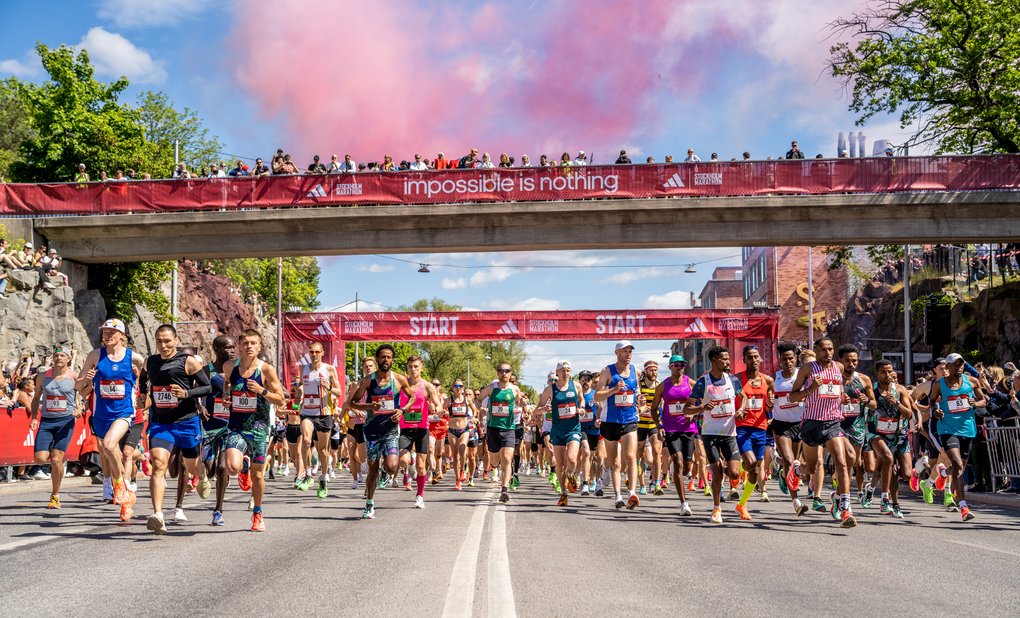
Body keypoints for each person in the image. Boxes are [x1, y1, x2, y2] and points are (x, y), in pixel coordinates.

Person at [140, 325, 212, 534]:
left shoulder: (187, 361)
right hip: (161, 423)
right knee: (158, 464)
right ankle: (158, 515)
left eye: (167, 341)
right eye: (159, 341)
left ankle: (202, 475)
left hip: (186, 422)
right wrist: (144, 394)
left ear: (176, 339)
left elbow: (207, 387)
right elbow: (144, 377)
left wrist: (186, 393)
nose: (163, 345)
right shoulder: (150, 361)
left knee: (191, 466)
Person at [75, 319, 145, 522]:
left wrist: (144, 391)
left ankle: (119, 484)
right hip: (101, 414)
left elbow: (148, 377)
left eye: (111, 332)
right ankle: (125, 500)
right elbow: (79, 387)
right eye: (104, 332)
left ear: (121, 335)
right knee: (109, 450)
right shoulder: (95, 356)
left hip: (123, 412)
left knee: (109, 444)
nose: (106, 335)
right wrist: (87, 379)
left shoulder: (135, 358)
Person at [217, 329, 286, 531]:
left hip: (259, 427)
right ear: (240, 345)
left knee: (258, 477)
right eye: (245, 343)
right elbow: (227, 387)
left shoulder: (266, 370)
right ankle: (242, 467)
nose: (249, 346)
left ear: (259, 347)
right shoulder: (230, 366)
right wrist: (227, 397)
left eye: (253, 343)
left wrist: (262, 391)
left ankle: (257, 512)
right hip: (237, 425)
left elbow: (281, 398)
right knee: (230, 467)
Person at [788, 337, 858, 528]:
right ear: (816, 351)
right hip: (811, 423)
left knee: (842, 463)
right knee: (811, 469)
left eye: (830, 349)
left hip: (833, 422)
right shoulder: (808, 369)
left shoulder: (839, 368)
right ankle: (796, 470)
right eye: (823, 350)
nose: (828, 353)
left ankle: (845, 509)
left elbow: (837, 390)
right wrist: (811, 388)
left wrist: (842, 397)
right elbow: (792, 396)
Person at [348, 345, 416, 519]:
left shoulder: (399, 379)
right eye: (383, 357)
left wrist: (402, 410)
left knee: (392, 466)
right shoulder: (368, 381)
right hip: (371, 430)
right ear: (378, 359)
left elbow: (412, 397)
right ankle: (369, 504)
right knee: (372, 470)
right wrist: (370, 406)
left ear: (392, 360)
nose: (386, 360)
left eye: (389, 357)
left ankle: (386, 472)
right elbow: (353, 403)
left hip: (391, 430)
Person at [683, 346, 746, 524]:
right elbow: (687, 408)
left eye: (728, 358)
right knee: (717, 472)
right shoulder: (703, 382)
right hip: (710, 433)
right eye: (724, 359)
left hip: (729, 433)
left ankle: (723, 476)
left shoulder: (732, 379)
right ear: (714, 361)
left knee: (734, 473)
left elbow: (744, 397)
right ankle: (717, 508)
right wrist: (702, 408)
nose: (728, 361)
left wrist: (741, 409)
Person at [930, 353, 987, 521]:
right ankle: (963, 506)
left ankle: (942, 473)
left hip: (967, 429)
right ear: (947, 367)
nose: (959, 367)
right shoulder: (939, 384)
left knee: (959, 468)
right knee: (957, 463)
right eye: (955, 364)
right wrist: (936, 411)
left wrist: (975, 403)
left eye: (961, 364)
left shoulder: (972, 381)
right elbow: (932, 402)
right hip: (947, 428)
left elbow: (984, 400)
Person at [29, 347, 80, 509]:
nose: (59, 358)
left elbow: (82, 396)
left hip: (66, 420)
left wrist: (80, 407)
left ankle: (55, 496)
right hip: (46, 420)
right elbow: (36, 398)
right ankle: (57, 466)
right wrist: (34, 418)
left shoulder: (73, 376)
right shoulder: (43, 376)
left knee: (57, 458)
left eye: (62, 355)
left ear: (68, 359)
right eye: (56, 355)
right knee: (40, 459)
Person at [594, 341, 642, 510]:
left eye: (630, 351)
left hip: (629, 420)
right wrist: (614, 390)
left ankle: (631, 493)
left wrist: (640, 402)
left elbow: (637, 395)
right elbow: (597, 397)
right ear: (617, 353)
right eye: (625, 351)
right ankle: (617, 496)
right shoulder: (607, 371)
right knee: (614, 461)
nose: (628, 354)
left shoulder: (635, 372)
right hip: (610, 422)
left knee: (631, 456)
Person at [650, 355, 697, 516]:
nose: (680, 367)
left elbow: (703, 399)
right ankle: (684, 503)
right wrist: (659, 426)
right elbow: (654, 408)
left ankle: (678, 471)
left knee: (687, 467)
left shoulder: (690, 383)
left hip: (688, 429)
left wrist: (695, 414)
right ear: (670, 366)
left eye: (682, 364)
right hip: (671, 429)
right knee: (677, 461)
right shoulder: (663, 386)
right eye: (676, 364)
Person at [296, 342, 343, 499]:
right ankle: (308, 475)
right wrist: (299, 392)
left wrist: (329, 387)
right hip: (307, 412)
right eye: (311, 351)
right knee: (307, 441)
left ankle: (323, 478)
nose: (314, 354)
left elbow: (339, 392)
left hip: (324, 413)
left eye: (317, 351)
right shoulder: (304, 368)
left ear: (322, 353)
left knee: (323, 450)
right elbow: (302, 385)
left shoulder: (329, 369)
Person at [867, 360, 913, 519]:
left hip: (899, 433)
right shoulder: (871, 390)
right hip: (876, 432)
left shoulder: (899, 390)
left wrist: (897, 402)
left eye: (890, 371)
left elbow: (909, 414)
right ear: (877, 374)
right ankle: (891, 502)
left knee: (906, 474)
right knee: (888, 460)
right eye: (883, 372)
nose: (887, 375)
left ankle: (880, 489)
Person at [734, 345, 775, 520]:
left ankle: (741, 505)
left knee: (756, 469)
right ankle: (741, 466)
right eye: (750, 357)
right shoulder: (736, 379)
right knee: (751, 462)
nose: (754, 360)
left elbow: (769, 406)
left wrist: (771, 405)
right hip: (742, 427)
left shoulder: (768, 381)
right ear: (744, 360)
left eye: (756, 357)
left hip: (760, 428)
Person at [476, 363, 526, 503]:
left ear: (510, 373)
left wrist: (522, 402)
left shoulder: (514, 389)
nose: (504, 373)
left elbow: (519, 401)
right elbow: (478, 400)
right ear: (497, 373)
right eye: (501, 371)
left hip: (509, 428)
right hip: (493, 428)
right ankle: (494, 467)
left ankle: (504, 489)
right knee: (494, 460)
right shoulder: (491, 388)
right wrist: (480, 408)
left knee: (507, 458)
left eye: (507, 371)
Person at [397, 356, 442, 508]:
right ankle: (411, 460)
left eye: (416, 366)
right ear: (407, 368)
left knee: (422, 467)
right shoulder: (401, 385)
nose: (413, 369)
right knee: (403, 460)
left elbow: (438, 404)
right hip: (405, 428)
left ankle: (420, 496)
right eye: (410, 366)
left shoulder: (427, 386)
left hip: (422, 429)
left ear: (421, 368)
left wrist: (436, 409)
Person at [537, 361, 584, 506]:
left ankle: (571, 475)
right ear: (557, 373)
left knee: (572, 458)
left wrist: (581, 408)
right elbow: (536, 410)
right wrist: (544, 409)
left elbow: (581, 400)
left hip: (573, 428)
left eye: (568, 370)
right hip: (557, 430)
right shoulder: (549, 390)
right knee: (560, 465)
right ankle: (563, 492)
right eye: (563, 370)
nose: (566, 373)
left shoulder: (576, 386)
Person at [838, 344, 878, 507]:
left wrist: (867, 401)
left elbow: (874, 405)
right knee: (842, 462)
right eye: (847, 360)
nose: (851, 364)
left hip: (857, 425)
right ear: (840, 360)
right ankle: (843, 499)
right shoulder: (835, 378)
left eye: (854, 360)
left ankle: (839, 494)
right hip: (837, 424)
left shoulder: (864, 379)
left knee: (851, 462)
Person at [772, 343, 809, 515]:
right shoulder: (775, 378)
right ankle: (796, 501)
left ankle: (782, 472)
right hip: (781, 424)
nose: (788, 362)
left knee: (795, 462)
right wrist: (769, 402)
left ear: (795, 359)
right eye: (784, 359)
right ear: (779, 361)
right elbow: (767, 399)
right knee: (790, 460)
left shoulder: (802, 375)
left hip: (799, 423)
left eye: (791, 358)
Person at [343, 357, 376, 492]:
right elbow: (348, 403)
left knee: (373, 455)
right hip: (359, 423)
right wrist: (357, 411)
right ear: (362, 369)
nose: (368, 368)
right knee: (361, 456)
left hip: (374, 423)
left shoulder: (379, 385)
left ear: (375, 368)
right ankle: (361, 474)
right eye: (365, 366)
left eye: (370, 366)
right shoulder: (357, 385)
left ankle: (370, 482)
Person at [636, 360, 663, 496]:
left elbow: (662, 405)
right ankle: (642, 484)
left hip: (654, 423)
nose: (654, 372)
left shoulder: (659, 385)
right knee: (639, 454)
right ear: (645, 371)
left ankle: (656, 482)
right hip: (640, 424)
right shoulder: (639, 385)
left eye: (656, 370)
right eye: (651, 370)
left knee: (657, 452)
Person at [445, 379, 475, 490]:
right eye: (456, 386)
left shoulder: (467, 400)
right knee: (455, 456)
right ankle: (457, 480)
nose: (459, 388)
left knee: (462, 449)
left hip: (464, 429)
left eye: (461, 386)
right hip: (452, 430)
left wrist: (473, 418)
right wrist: (443, 413)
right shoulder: (449, 400)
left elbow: (474, 410)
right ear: (453, 387)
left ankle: (462, 471)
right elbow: (441, 410)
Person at [577, 370, 602, 496]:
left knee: (597, 457)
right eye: (583, 380)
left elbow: (603, 408)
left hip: (595, 430)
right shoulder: (577, 395)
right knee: (586, 452)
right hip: (582, 428)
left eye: (588, 379)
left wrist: (599, 418)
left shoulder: (595, 394)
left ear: (591, 382)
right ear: (580, 381)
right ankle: (585, 483)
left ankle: (597, 482)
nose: (585, 382)